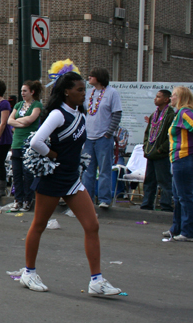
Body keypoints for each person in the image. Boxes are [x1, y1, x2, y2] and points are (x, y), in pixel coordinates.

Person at [21, 72, 121, 295]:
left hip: (72, 179)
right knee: (39, 224)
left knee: (92, 225)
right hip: (53, 177)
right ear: (66, 91)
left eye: (84, 89)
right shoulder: (58, 114)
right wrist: (53, 155)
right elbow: (36, 141)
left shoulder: (81, 115)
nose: (84, 94)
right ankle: (28, 273)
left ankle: (96, 281)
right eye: (79, 90)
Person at [165, 86, 193, 242]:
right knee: (178, 197)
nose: (170, 98)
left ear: (179, 97)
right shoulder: (182, 113)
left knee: (184, 197)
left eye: (172, 96)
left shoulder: (185, 112)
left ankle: (190, 231)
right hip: (181, 159)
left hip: (186, 157)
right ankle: (177, 228)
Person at [81, 68, 122, 208]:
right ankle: (88, 199)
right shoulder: (88, 93)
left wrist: (108, 133)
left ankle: (104, 199)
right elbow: (83, 111)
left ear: (99, 78)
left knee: (104, 169)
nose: (89, 77)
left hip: (103, 137)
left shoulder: (112, 93)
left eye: (91, 75)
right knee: (88, 170)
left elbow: (117, 114)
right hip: (88, 137)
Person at [7, 80, 44, 211]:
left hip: (29, 143)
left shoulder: (37, 105)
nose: (22, 93)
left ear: (32, 92)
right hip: (16, 142)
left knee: (27, 173)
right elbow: (9, 120)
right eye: (22, 91)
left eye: (25, 91)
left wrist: (19, 122)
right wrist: (20, 123)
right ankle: (18, 199)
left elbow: (30, 119)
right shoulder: (18, 104)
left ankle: (28, 200)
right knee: (16, 173)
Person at [140, 90, 175, 212]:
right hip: (151, 152)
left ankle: (165, 205)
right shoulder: (154, 115)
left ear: (166, 99)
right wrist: (146, 146)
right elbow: (148, 132)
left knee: (164, 181)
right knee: (149, 180)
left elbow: (171, 136)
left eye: (158, 97)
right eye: (156, 96)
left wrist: (161, 149)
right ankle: (146, 204)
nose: (155, 99)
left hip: (161, 154)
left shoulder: (170, 115)